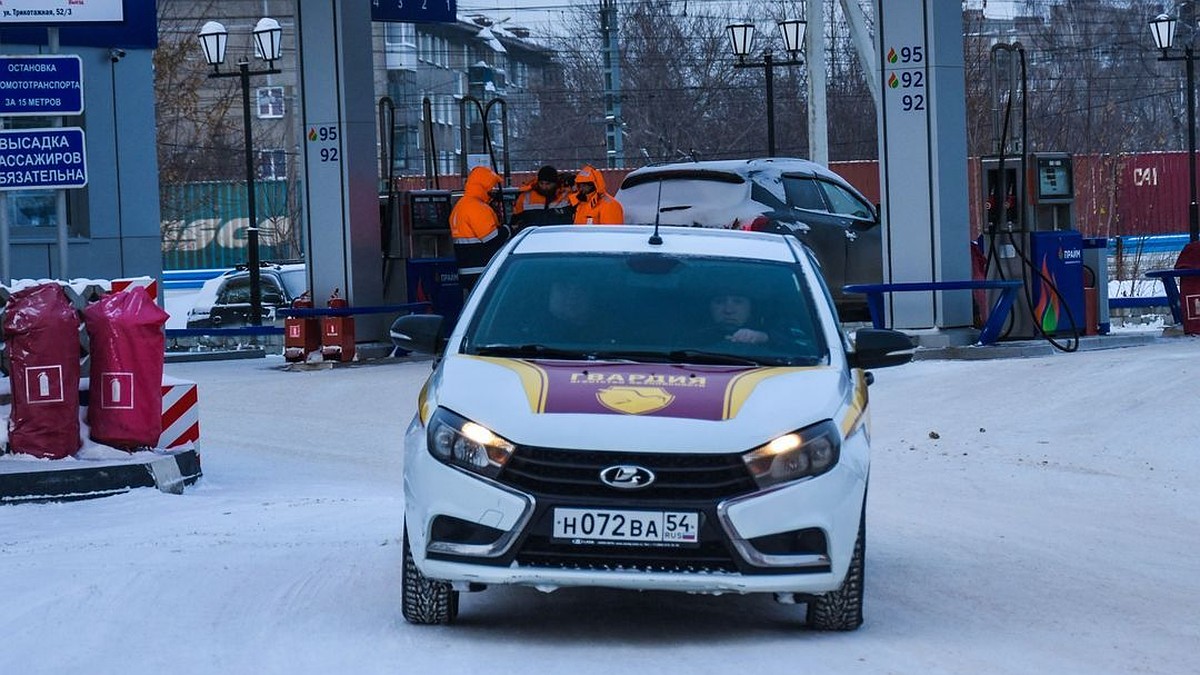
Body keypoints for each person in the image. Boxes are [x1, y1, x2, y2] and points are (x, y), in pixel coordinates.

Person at [450, 165, 508, 295]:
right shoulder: (477, 208)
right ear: (483, 186)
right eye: (491, 187)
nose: (493, 190)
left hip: (468, 270)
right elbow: (492, 239)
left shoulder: (461, 205)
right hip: (482, 269)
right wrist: (508, 230)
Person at [510, 165, 574, 231]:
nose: (544, 187)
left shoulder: (566, 195)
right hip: (533, 237)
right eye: (541, 183)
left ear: (555, 183)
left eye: (548, 184)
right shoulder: (525, 196)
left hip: (561, 236)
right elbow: (515, 222)